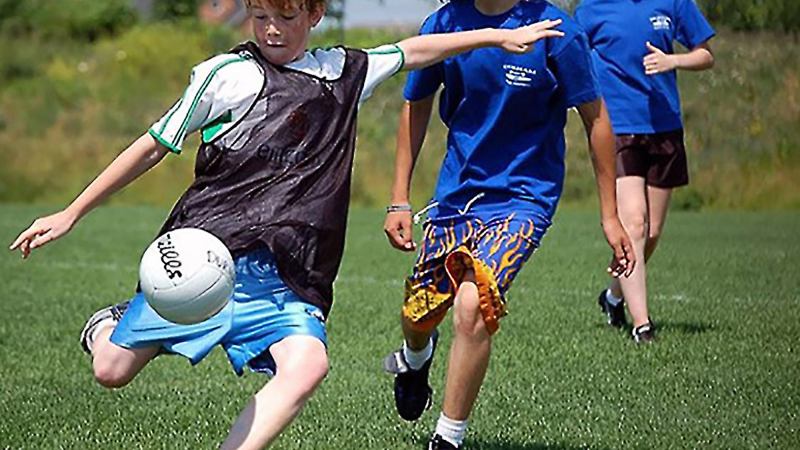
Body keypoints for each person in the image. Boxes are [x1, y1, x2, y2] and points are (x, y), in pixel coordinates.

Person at [7, 0, 565, 448]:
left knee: (308, 364)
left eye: (287, 15)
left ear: (315, 13)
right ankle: (105, 325)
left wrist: (495, 37)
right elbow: (154, 145)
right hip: (205, 256)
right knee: (110, 370)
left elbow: (415, 51)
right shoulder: (225, 76)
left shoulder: (343, 72)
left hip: (286, 277)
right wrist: (71, 211)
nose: (272, 28)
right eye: (260, 15)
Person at [381, 0, 635, 448]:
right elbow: (415, 104)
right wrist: (399, 198)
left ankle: (447, 438)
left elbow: (596, 119)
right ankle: (416, 358)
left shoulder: (558, 33)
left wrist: (610, 215)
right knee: (418, 316)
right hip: (457, 196)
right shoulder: (443, 24)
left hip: (525, 198)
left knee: (473, 302)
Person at [574, 0, 715, 343]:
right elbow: (572, 62)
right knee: (634, 223)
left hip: (664, 126)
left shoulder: (674, 3)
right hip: (617, 128)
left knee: (650, 234)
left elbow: (705, 55)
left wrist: (673, 61)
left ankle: (613, 296)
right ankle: (642, 326)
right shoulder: (590, 9)